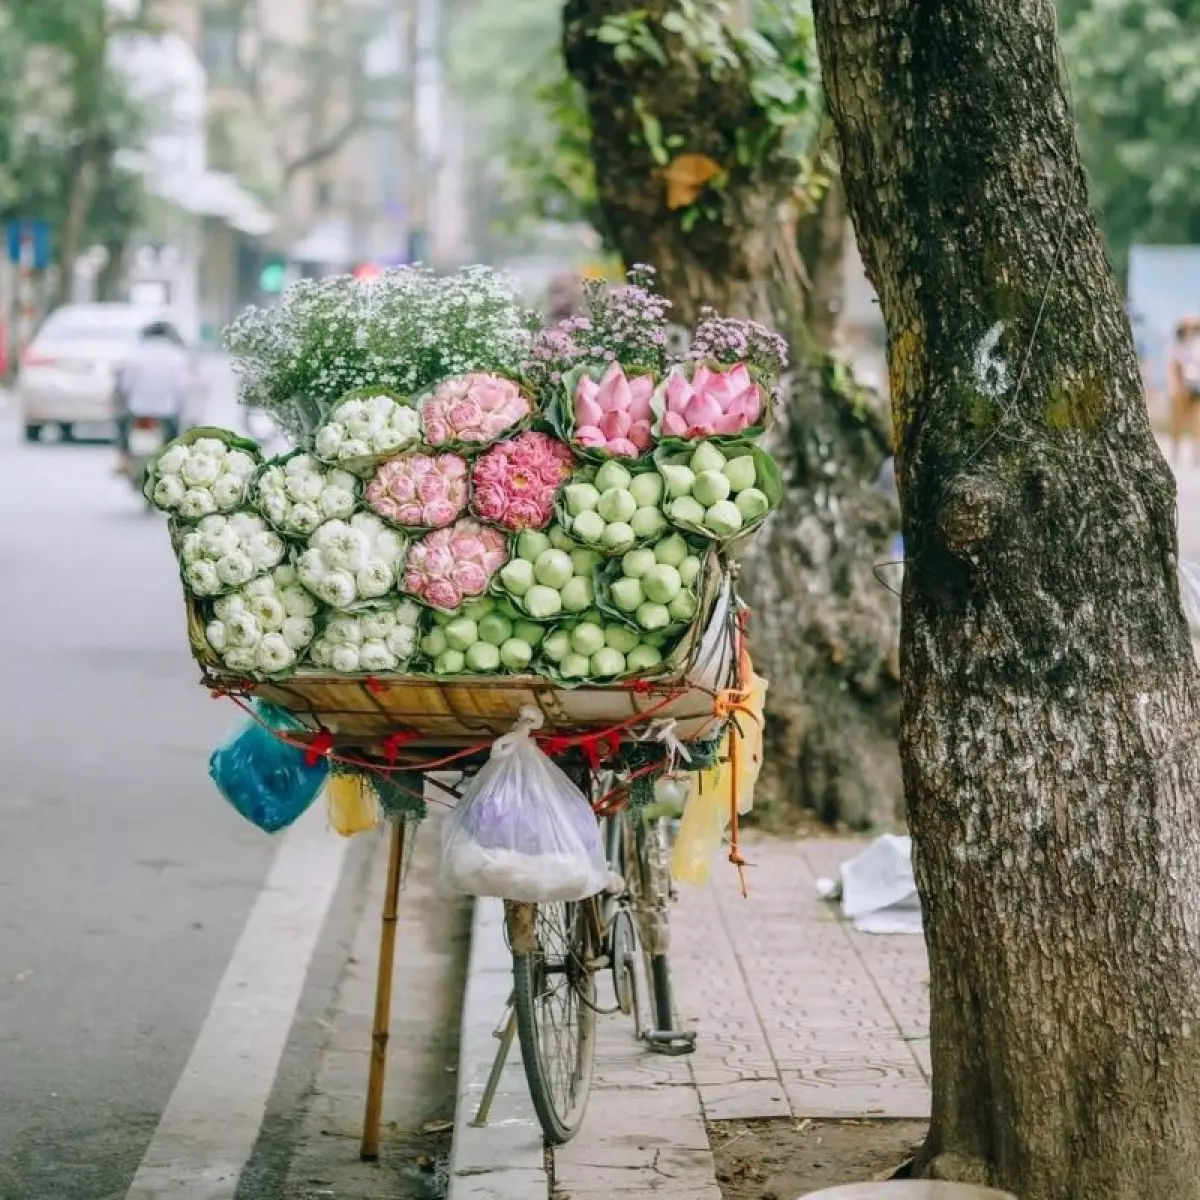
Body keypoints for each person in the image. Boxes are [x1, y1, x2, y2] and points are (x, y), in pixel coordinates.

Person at [114, 321, 191, 475]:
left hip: (137, 409)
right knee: (174, 442)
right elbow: (181, 388)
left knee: (122, 424)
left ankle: (123, 459)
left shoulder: (135, 354)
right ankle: (176, 467)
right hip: (167, 411)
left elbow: (125, 386)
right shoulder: (177, 356)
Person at [1167, 315, 1200, 467]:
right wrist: (1174, 389)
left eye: (1194, 328)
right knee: (1177, 423)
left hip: (1196, 387)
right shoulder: (1176, 347)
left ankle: (1197, 453)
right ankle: (1175, 452)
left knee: (1198, 421)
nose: (1191, 331)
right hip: (1181, 388)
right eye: (1188, 328)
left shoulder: (1197, 345)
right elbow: (1173, 369)